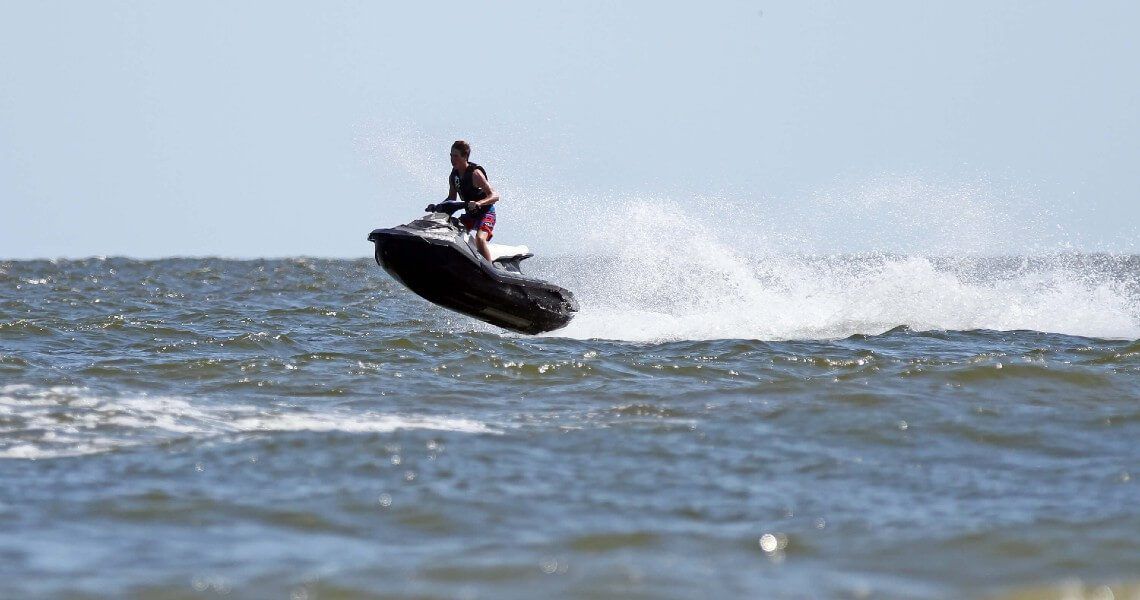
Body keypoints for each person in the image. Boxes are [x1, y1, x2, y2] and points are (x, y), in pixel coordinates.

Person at [443, 140, 499, 261]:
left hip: (486, 213)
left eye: (456, 156)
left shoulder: (475, 174)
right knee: (451, 231)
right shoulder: (454, 176)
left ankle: (488, 269)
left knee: (479, 239)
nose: (452, 159)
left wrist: (479, 203)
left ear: (465, 157)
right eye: (451, 155)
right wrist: (437, 207)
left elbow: (494, 195)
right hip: (470, 215)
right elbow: (451, 199)